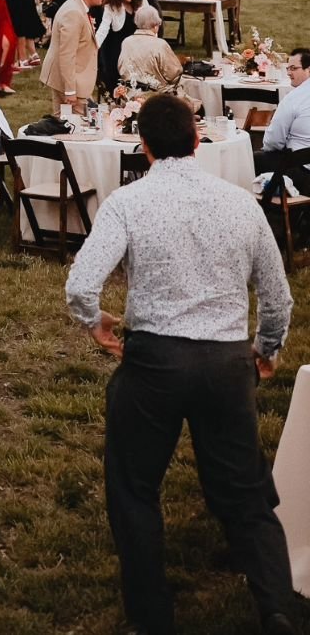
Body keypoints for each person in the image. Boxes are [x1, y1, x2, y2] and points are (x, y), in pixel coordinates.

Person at [66, 92, 295, 635]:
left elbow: (81, 284)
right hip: (224, 363)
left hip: (153, 364)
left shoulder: (128, 202)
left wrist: (95, 321)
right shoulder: (242, 202)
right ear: (197, 140)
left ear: (142, 146)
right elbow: (278, 297)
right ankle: (277, 606)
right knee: (244, 493)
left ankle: (152, 617)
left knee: (134, 490)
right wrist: (265, 348)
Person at [40, 0, 107, 114]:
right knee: (79, 125)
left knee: (64, 123)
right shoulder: (73, 13)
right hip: (70, 80)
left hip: (71, 78)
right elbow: (67, 54)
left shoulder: (76, 6)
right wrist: (70, 90)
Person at [117, 6, 183, 93]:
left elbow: (121, 68)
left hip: (130, 92)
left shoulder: (126, 42)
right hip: (156, 95)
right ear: (155, 26)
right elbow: (174, 74)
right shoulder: (160, 44)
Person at [95, 0, 140, 99]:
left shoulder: (138, 5)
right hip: (114, 52)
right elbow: (103, 29)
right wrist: (93, 47)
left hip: (132, 53)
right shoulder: (110, 7)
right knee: (115, 87)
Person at [261, 48, 310, 157]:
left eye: (293, 68)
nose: (288, 73)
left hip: (298, 165)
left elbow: (273, 141)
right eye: (288, 68)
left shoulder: (293, 98)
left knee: (248, 161)